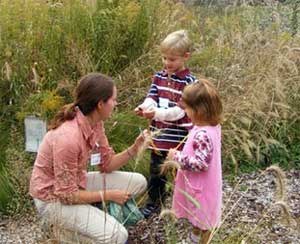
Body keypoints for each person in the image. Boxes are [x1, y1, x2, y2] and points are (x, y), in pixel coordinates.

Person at [29, 73, 148, 244]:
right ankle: (61, 233)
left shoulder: (96, 123)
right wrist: (108, 195)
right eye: (114, 100)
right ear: (100, 104)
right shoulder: (68, 138)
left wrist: (135, 148)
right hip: (51, 199)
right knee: (118, 236)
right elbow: (67, 196)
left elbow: (106, 165)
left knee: (139, 182)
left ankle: (86, 220)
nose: (116, 104)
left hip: (76, 183)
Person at [134, 30, 197, 218]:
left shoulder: (190, 82)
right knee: (156, 171)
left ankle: (185, 204)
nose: (167, 63)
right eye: (164, 58)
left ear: (186, 57)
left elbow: (179, 111)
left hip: (178, 137)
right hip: (158, 135)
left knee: (180, 172)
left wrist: (157, 113)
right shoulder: (159, 76)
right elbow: (152, 97)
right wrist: (144, 107)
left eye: (172, 59)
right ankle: (155, 202)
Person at [166, 79, 223, 244]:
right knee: (198, 219)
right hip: (202, 185)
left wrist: (176, 157)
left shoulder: (203, 134)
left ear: (199, 110)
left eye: (188, 109)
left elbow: (201, 163)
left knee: (202, 219)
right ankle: (194, 238)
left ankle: (199, 240)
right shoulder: (210, 127)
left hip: (201, 188)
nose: (186, 112)